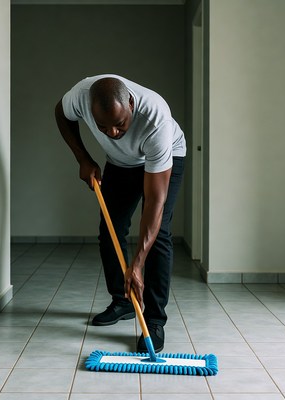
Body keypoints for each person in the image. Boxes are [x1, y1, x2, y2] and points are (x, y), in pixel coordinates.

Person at [55, 74, 186, 353]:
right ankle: (122, 301)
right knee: (110, 230)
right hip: (120, 162)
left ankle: (153, 320)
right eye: (103, 127)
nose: (112, 133)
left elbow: (154, 201)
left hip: (165, 155)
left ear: (130, 104)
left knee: (159, 233)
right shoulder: (80, 95)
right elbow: (61, 112)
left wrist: (137, 263)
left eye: (120, 124)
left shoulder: (156, 120)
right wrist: (83, 158)